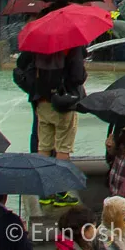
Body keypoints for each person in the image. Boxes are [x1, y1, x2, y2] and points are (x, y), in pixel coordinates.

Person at [15, 42, 86, 206]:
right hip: (63, 102)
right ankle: (61, 193)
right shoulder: (71, 44)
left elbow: (21, 65)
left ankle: (45, 192)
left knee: (44, 146)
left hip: (42, 101)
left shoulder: (39, 42)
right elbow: (77, 76)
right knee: (63, 148)